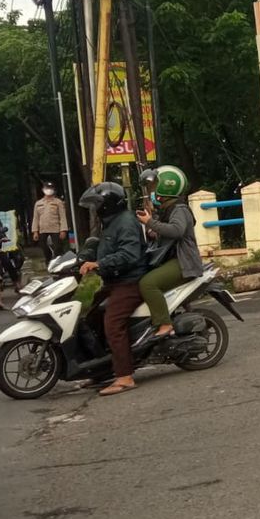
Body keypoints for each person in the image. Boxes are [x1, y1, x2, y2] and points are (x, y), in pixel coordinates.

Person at [78, 182, 148, 397]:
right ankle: (102, 370)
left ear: (108, 204)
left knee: (113, 323)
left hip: (130, 281)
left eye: (98, 204)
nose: (95, 208)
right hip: (113, 280)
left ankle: (125, 377)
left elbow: (129, 255)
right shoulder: (109, 223)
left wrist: (99, 265)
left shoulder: (125, 222)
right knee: (88, 317)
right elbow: (102, 248)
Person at [135, 165, 203, 340]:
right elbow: (163, 234)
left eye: (154, 186)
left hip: (183, 262)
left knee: (147, 284)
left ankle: (165, 323)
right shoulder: (168, 210)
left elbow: (176, 231)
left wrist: (150, 222)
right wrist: (152, 226)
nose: (151, 191)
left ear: (166, 187)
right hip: (173, 260)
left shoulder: (180, 209)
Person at [32, 181, 69, 263]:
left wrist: (63, 230)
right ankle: (48, 261)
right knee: (43, 247)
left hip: (55, 229)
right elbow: (35, 218)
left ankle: (59, 263)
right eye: (47, 188)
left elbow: (62, 217)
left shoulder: (58, 202)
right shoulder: (38, 203)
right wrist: (35, 231)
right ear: (43, 190)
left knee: (58, 248)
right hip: (42, 229)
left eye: (50, 188)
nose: (49, 190)